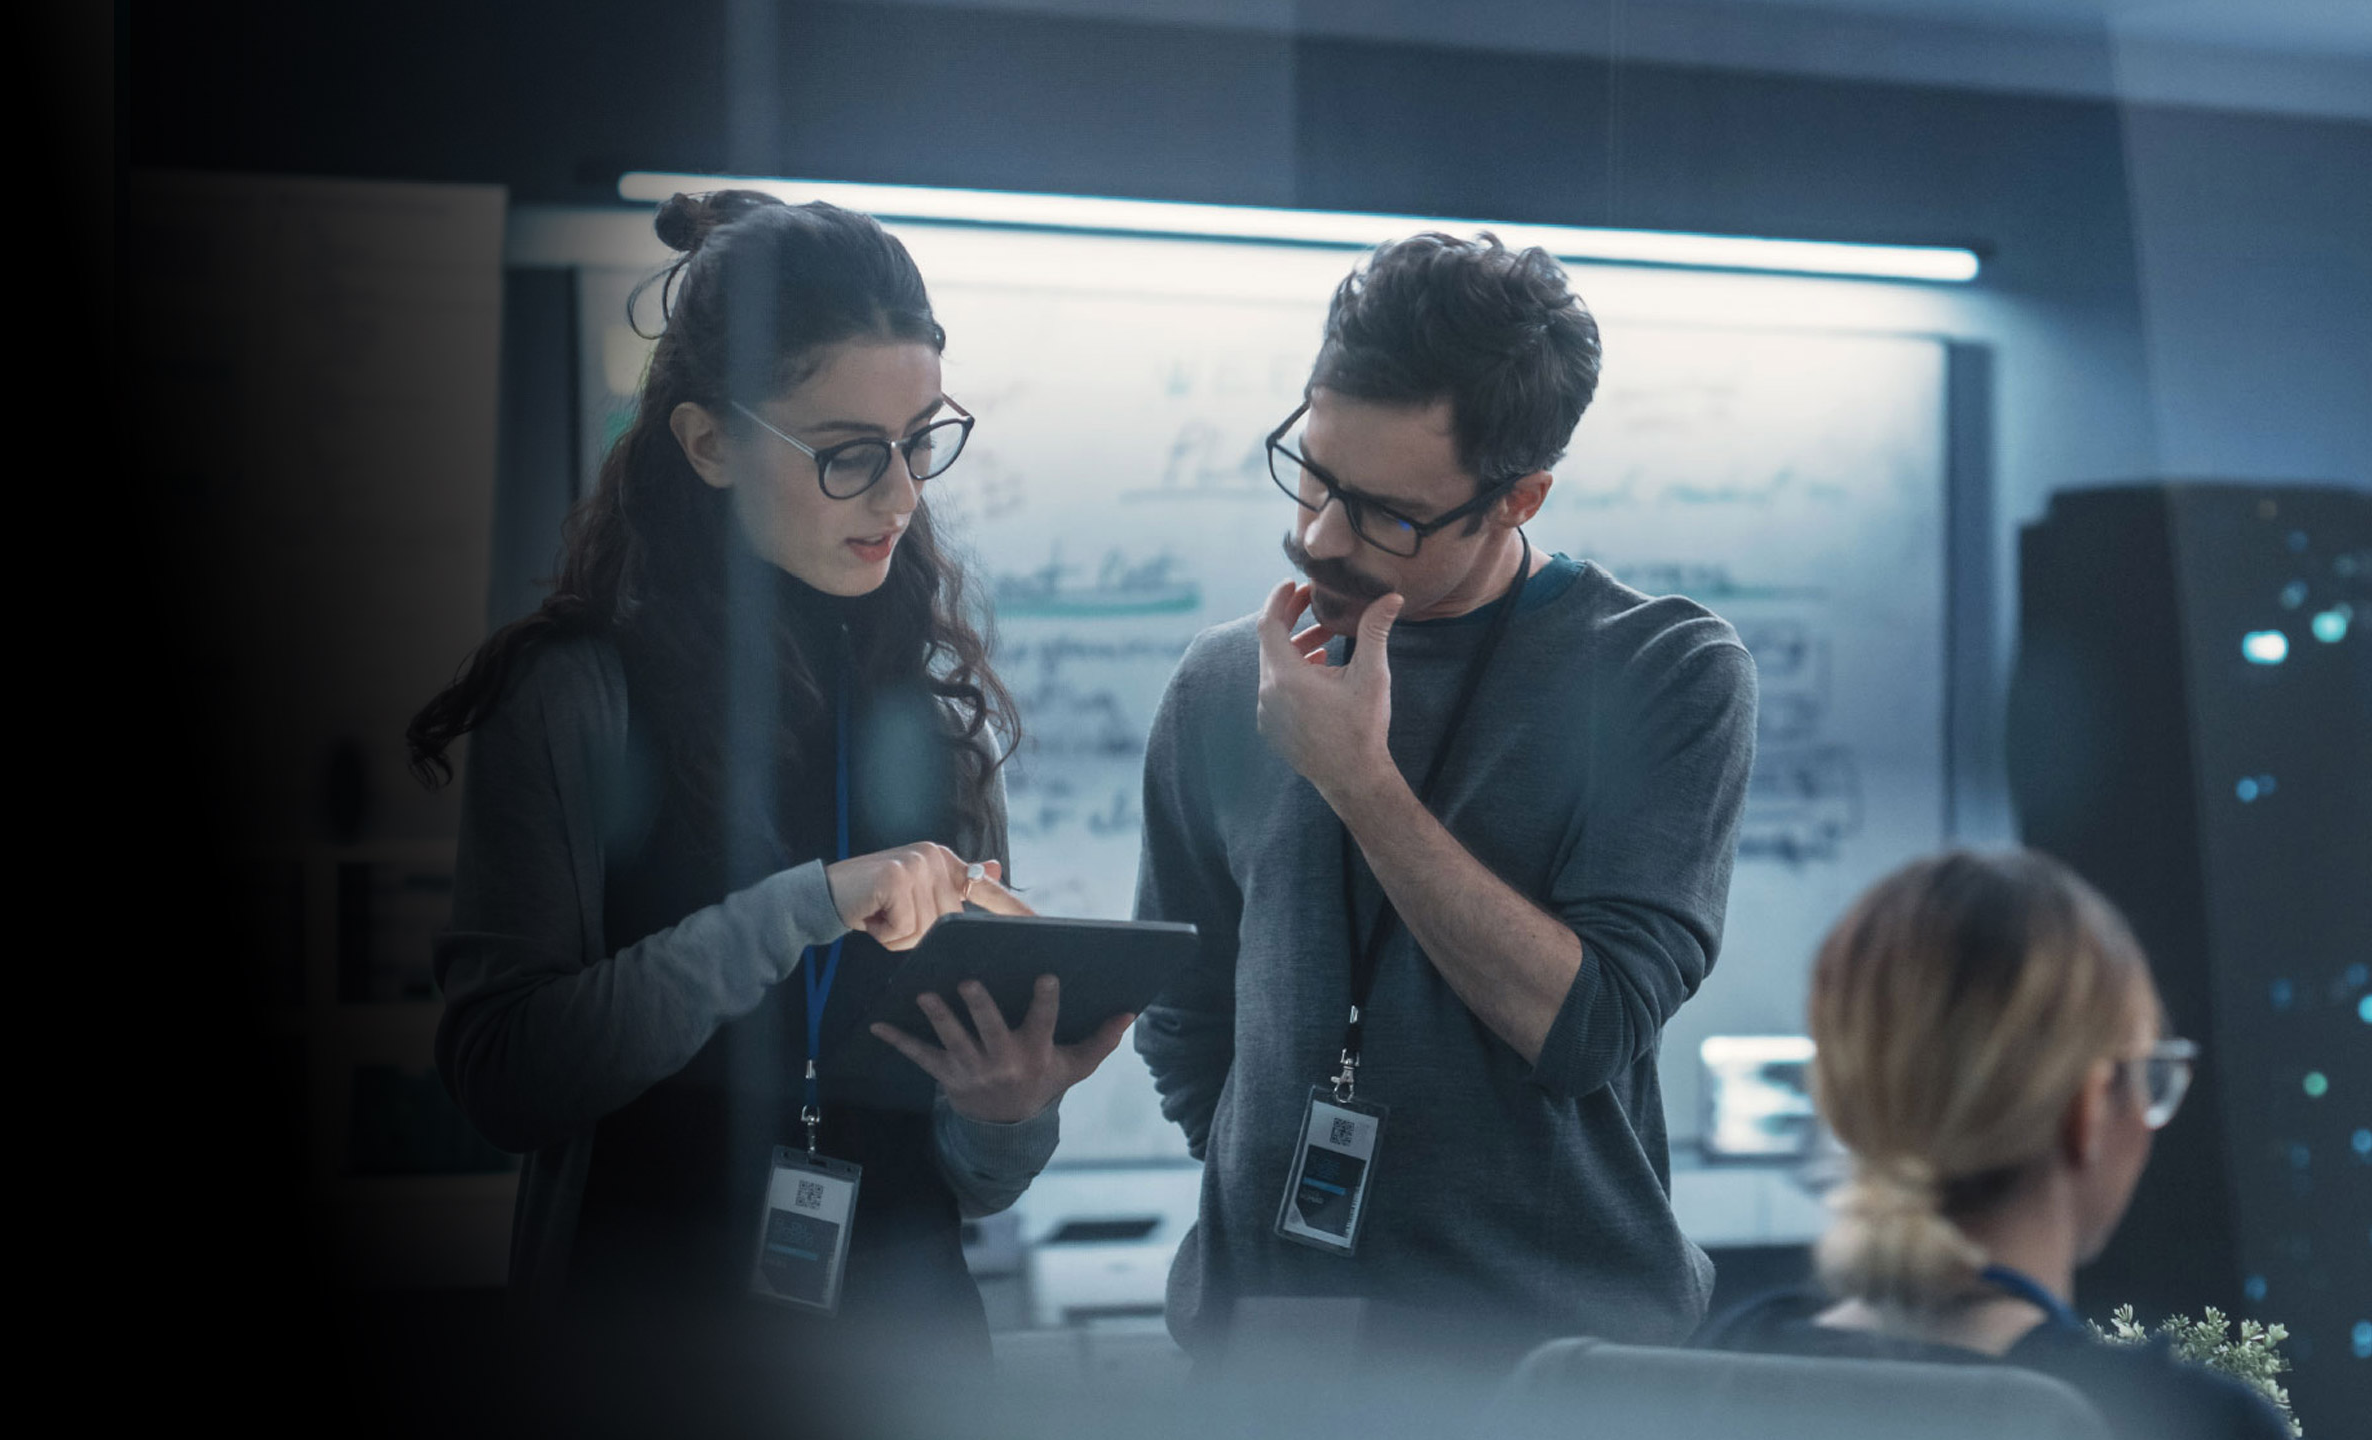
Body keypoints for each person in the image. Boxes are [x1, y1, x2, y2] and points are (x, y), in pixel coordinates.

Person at [407, 190, 1134, 1423]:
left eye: (924, 440)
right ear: (706, 443)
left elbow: (970, 1183)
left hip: (912, 1367)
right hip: (638, 1355)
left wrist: (1009, 1113)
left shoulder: (934, 717)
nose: (900, 497)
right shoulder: (577, 699)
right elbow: (505, 1079)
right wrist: (805, 908)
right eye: (847, 452)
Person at [1131, 232, 1757, 1374]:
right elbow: (1181, 1003)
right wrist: (1265, 1184)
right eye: (1314, 475)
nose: (1321, 536)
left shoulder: (1664, 672)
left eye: (1386, 514)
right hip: (1264, 1358)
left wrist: (1359, 782)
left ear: (1518, 498)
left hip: (1544, 1366)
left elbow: (1592, 1027)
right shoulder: (1229, 680)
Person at [1692, 849, 2290, 1439]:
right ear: (2088, 1107)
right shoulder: (2195, 1423)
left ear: (1846, 1103)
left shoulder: (1725, 1364)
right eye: (2150, 1077)